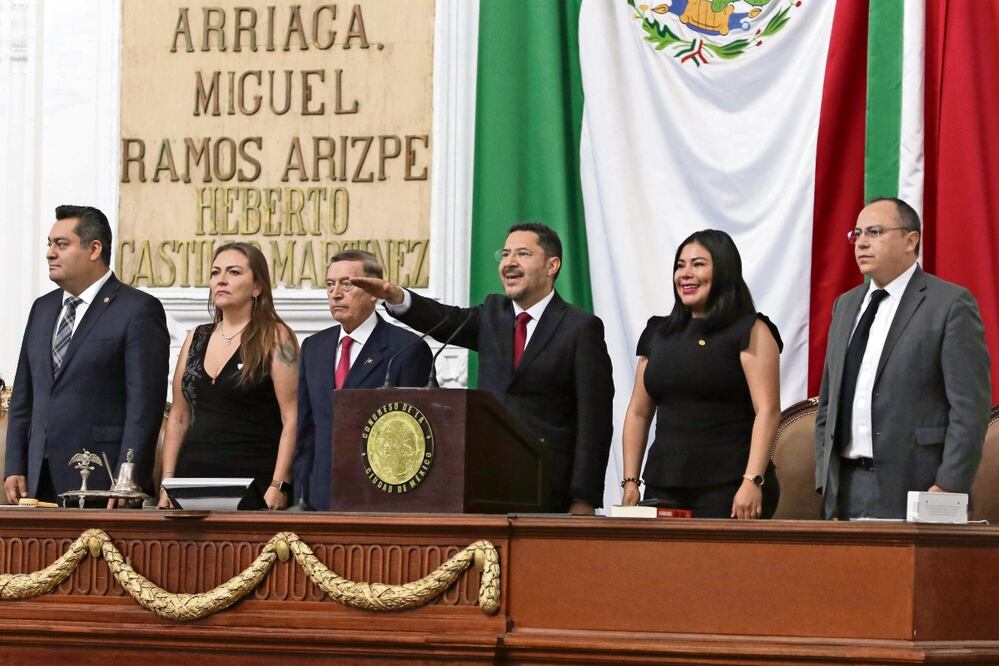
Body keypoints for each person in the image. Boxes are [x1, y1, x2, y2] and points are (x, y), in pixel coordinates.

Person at [351, 222, 614, 514]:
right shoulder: (493, 312)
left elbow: (595, 421)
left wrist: (584, 498)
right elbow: (445, 320)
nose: (510, 262)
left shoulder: (580, 328)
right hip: (488, 484)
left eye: (523, 254)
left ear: (552, 265)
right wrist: (396, 295)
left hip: (550, 488)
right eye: (505, 254)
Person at [815, 197, 991, 519]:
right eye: (857, 234)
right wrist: (824, 474)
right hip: (844, 489)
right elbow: (829, 401)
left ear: (912, 240)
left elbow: (969, 408)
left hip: (919, 488)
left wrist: (949, 484)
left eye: (875, 232)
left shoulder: (949, 304)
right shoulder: (845, 305)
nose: (862, 243)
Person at [4, 205, 169, 505]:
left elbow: (144, 405)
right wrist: (14, 465)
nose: (50, 253)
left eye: (61, 244)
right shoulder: (42, 308)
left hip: (101, 478)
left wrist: (128, 475)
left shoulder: (137, 310)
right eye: (49, 244)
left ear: (94, 249)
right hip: (37, 478)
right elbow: (23, 397)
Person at [619, 230, 782, 519]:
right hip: (663, 483)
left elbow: (767, 410)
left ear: (724, 269)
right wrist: (631, 481)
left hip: (730, 487)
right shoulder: (657, 332)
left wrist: (752, 480)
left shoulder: (751, 329)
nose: (686, 274)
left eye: (698, 264)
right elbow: (638, 413)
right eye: (680, 265)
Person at [158, 242, 298, 510]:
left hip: (252, 480)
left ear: (257, 286)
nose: (221, 280)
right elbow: (178, 416)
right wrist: (167, 481)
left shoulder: (276, 337)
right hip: (192, 480)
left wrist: (279, 484)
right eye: (215, 272)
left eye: (234, 272)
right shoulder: (195, 337)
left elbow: (292, 417)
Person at [293, 250, 433, 510]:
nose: (335, 294)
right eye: (330, 284)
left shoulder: (406, 349)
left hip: (378, 498)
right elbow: (306, 429)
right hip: (319, 496)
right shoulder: (314, 347)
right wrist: (302, 492)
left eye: (347, 284)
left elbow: (414, 440)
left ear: (373, 292)